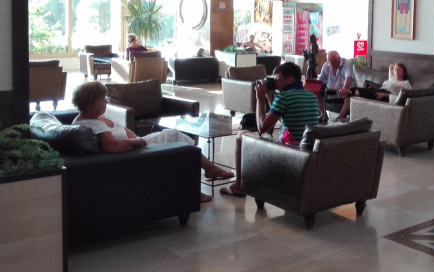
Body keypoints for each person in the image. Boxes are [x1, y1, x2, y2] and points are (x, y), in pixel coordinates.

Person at [71, 81, 233, 203]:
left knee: (174, 135)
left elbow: (120, 134)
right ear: (91, 102)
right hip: (135, 151)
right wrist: (139, 142)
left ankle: (207, 170)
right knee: (179, 144)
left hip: (136, 144)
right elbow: (114, 146)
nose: (106, 102)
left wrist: (137, 139)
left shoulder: (91, 118)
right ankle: (198, 184)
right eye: (102, 100)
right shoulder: (92, 124)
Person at [221, 61, 319, 197]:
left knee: (241, 135)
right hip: (306, 150)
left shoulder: (284, 97)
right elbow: (280, 117)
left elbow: (262, 128)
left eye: (277, 80)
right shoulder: (311, 96)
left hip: (289, 152)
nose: (275, 83)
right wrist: (268, 96)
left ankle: (238, 186)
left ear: (290, 79)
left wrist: (259, 98)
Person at [317, 50, 355, 122]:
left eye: (333, 62)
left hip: (344, 92)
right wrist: (314, 86)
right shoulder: (326, 65)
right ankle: (323, 115)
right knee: (316, 92)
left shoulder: (347, 63)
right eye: (329, 62)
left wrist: (345, 88)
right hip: (330, 91)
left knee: (349, 92)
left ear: (339, 59)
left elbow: (348, 77)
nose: (331, 65)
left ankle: (340, 117)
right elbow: (320, 79)